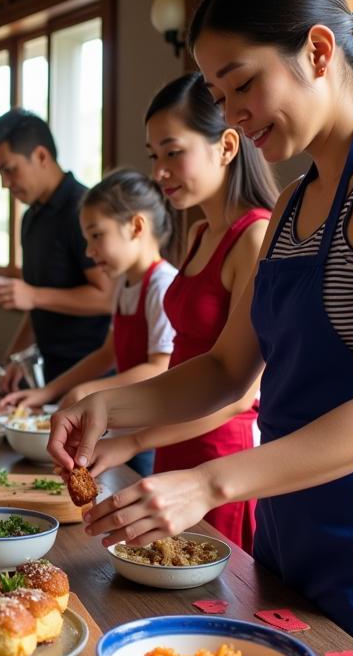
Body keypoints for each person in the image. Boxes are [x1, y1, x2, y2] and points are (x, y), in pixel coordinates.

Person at [49, 0, 353, 656]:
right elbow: (224, 370)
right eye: (218, 91)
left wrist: (207, 483)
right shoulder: (292, 204)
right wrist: (105, 404)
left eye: (242, 83)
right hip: (293, 518)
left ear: (316, 50)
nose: (234, 112)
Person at [62, 74, 276, 551]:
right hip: (172, 439)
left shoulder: (254, 237)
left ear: (225, 146)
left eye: (173, 152)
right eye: (153, 155)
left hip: (218, 454)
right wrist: (135, 439)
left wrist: (135, 441)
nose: (159, 171)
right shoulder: (200, 233)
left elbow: (239, 394)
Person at [0, 169, 177, 477]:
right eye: (86, 239)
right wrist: (48, 392)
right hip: (123, 427)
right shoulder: (124, 284)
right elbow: (107, 354)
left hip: (150, 437)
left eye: (97, 235)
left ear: (136, 226)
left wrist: (90, 393)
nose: (88, 251)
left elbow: (159, 368)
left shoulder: (163, 286)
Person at [0, 109, 114, 389]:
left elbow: (107, 296)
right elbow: (37, 303)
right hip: (44, 374)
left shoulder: (84, 209)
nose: (5, 183)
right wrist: (15, 358)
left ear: (41, 156)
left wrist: (34, 295)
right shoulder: (31, 217)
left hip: (90, 376)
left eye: (9, 169)